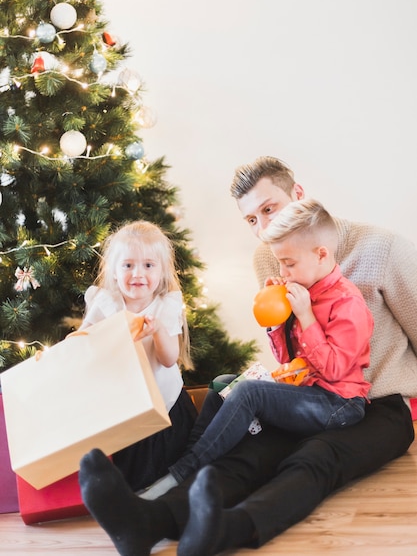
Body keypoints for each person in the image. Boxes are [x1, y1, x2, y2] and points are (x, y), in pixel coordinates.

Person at [78, 156, 417, 556]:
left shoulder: (382, 248)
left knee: (315, 458)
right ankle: (148, 523)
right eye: (252, 220)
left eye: (270, 209)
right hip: (311, 390)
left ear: (299, 195)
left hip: (379, 405)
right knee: (251, 450)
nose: (265, 228)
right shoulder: (268, 258)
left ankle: (228, 529)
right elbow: (291, 350)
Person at [148, 198, 373, 490]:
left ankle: (178, 476)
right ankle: (187, 463)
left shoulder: (347, 303)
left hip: (339, 404)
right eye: (280, 262)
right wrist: (277, 320)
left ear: (321, 254)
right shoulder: (300, 291)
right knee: (221, 385)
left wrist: (306, 318)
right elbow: (284, 358)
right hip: (304, 391)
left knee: (250, 393)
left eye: (289, 263)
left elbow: (332, 369)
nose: (283, 271)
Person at [78, 220, 197, 492]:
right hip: (126, 405)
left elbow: (169, 359)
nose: (137, 274)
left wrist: (157, 332)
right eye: (128, 265)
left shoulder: (166, 305)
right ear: (115, 271)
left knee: (169, 471)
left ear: (163, 271)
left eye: (148, 265)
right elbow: (83, 340)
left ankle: (164, 494)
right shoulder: (107, 302)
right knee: (129, 477)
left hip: (165, 404)